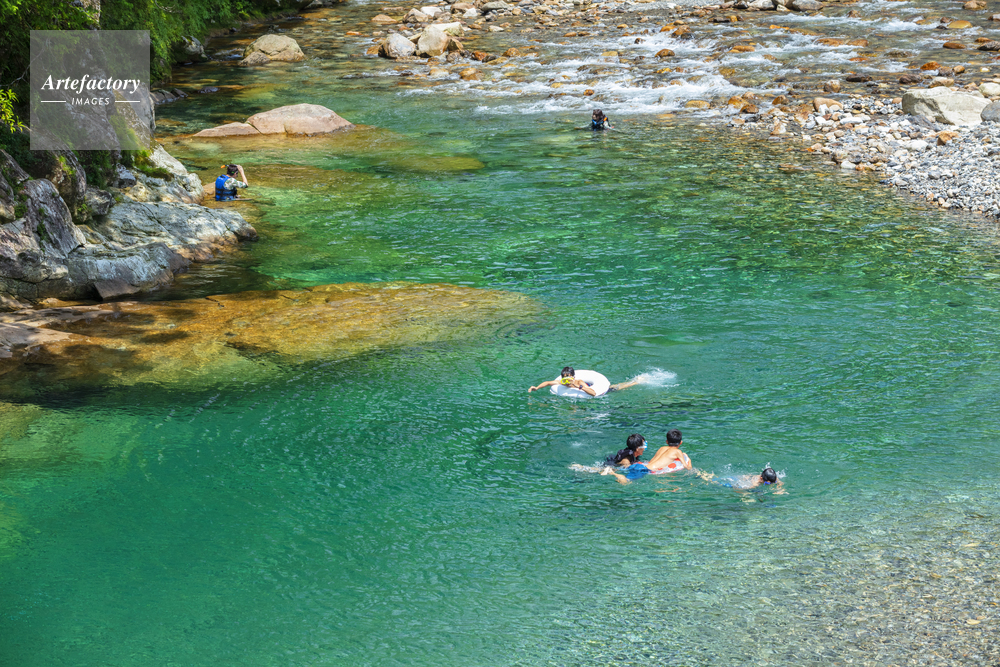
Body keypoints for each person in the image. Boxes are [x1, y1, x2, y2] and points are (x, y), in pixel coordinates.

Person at [528, 366, 640, 396]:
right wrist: (536, 388)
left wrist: (579, 387)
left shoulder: (579, 382)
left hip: (590, 387)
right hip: (578, 395)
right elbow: (548, 383)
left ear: (573, 377)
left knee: (615, 388)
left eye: (568, 378)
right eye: (564, 378)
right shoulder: (560, 383)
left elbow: (593, 393)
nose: (567, 381)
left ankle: (635, 382)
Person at [695, 466, 785, 494]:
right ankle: (700, 475)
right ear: (761, 478)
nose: (771, 484)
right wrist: (744, 495)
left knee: (716, 477)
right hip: (734, 481)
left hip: (741, 478)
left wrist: (780, 489)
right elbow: (736, 488)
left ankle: (705, 474)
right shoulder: (755, 483)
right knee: (714, 481)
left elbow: (779, 482)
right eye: (767, 483)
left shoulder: (772, 478)